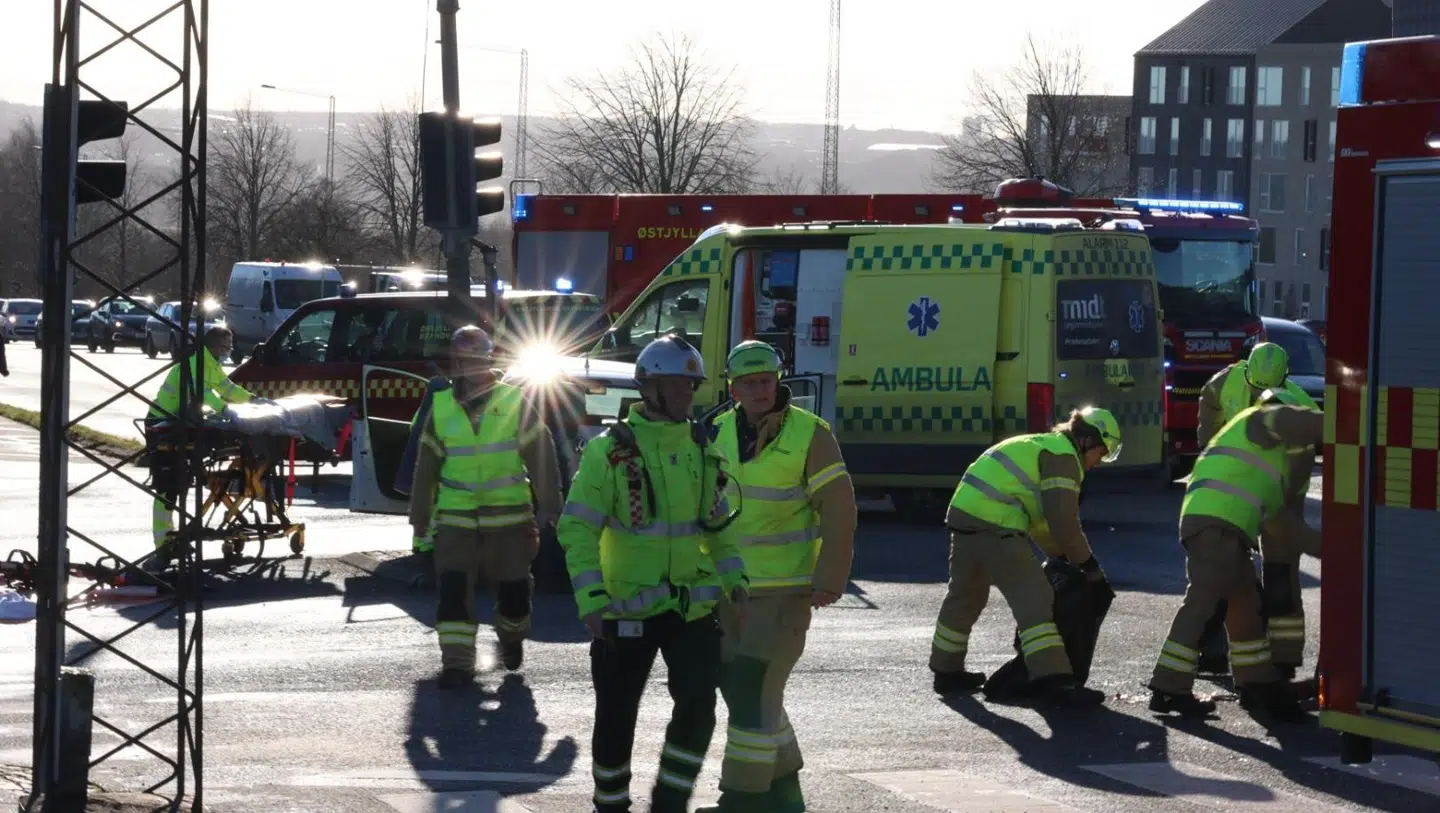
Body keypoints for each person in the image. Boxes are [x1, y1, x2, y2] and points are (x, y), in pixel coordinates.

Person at [558, 333, 750, 813]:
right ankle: (611, 803)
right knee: (618, 714)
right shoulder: (610, 451)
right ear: (650, 388)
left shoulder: (702, 449)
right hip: (623, 610)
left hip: (690, 609)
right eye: (679, 384)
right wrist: (592, 603)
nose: (690, 393)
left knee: (699, 709)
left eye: (693, 384)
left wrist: (737, 581)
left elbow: (718, 527)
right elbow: (577, 528)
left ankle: (670, 800)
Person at [697, 340, 857, 813]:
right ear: (734, 387)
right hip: (729, 588)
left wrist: (830, 576)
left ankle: (743, 797)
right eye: (749, 382)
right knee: (743, 686)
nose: (760, 389)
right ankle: (783, 790)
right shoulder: (716, 432)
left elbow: (840, 511)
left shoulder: (811, 434)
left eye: (767, 380)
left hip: (785, 589)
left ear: (779, 380)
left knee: (751, 684)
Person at [928, 406, 1123, 707]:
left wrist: (1058, 556)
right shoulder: (1064, 457)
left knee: (965, 596)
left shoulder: (1037, 444)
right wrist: (1088, 566)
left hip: (964, 517)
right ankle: (1055, 681)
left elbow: (1042, 521)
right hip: (997, 525)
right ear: (1088, 442)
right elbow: (1062, 520)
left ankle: (946, 670)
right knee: (1035, 599)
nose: (1098, 462)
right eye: (1101, 453)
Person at [1147, 390, 1322, 720]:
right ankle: (1168, 688)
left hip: (1224, 530)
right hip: (1217, 525)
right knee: (1202, 601)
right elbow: (1299, 422)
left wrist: (1328, 550)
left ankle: (1257, 682)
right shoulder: (1262, 419)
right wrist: (1355, 428)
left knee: (1244, 602)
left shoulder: (1270, 463)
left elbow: (1281, 523)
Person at [408, 325, 562, 687]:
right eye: (463, 360)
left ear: (489, 359)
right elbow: (426, 466)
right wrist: (419, 517)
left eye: (477, 359)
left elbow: (541, 453)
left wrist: (551, 506)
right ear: (456, 362)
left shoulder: (513, 401)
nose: (470, 367)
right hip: (455, 520)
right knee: (452, 592)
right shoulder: (442, 405)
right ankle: (457, 666)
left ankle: (511, 638)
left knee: (514, 596)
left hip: (509, 519)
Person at [1194, 341, 1318, 674]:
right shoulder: (1227, 380)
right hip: (1235, 493)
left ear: (1285, 380)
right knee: (1223, 569)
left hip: (1277, 497)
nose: (1259, 397)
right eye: (1254, 388)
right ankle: (1216, 652)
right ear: (1246, 370)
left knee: (1280, 576)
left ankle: (1284, 658)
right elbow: (1208, 397)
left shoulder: (1299, 406)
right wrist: (1209, 445)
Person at [145, 325, 254, 570]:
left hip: (180, 427)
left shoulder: (211, 364)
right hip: (162, 427)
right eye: (226, 346)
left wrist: (253, 400)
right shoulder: (195, 364)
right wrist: (225, 410)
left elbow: (226, 388)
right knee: (167, 489)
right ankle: (163, 544)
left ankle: (174, 539)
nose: (228, 351)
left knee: (179, 487)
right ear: (214, 345)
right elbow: (203, 395)